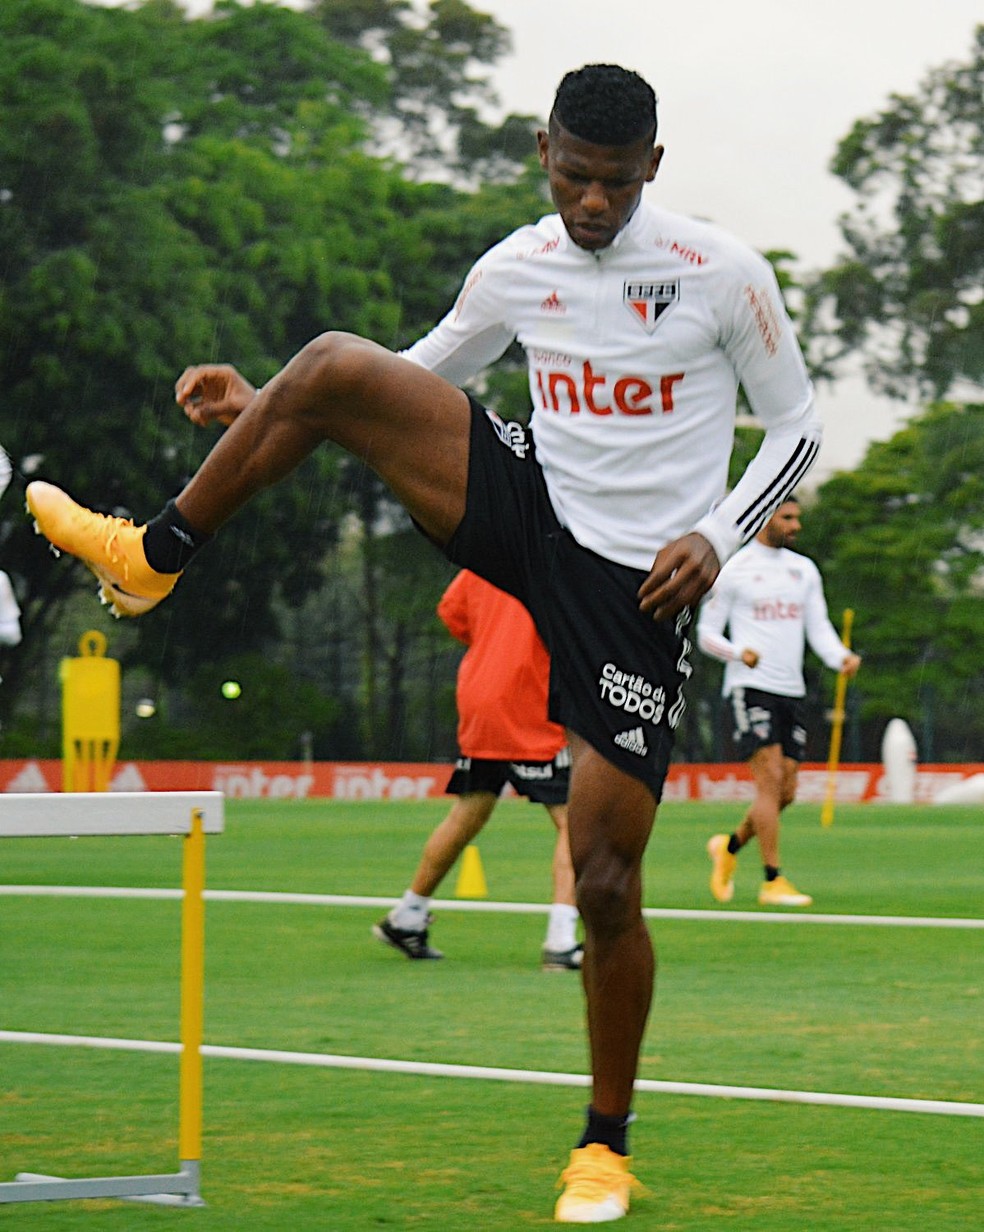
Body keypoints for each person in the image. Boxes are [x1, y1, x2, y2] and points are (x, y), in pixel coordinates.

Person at [26, 64, 822, 1223]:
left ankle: (604, 1142)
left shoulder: (719, 274)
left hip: (641, 586)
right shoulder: (517, 264)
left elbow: (798, 425)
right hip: (531, 506)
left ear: (653, 167)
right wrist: (271, 405)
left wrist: (719, 532)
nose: (591, 203)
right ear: (543, 150)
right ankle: (151, 555)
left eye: (613, 183)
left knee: (603, 880)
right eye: (572, 176)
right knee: (339, 366)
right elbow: (420, 375)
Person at [374, 568, 582, 971]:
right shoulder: (553, 553)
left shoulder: (482, 556)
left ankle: (407, 916)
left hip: (480, 696)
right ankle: (560, 939)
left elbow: (452, 614)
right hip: (528, 699)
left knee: (469, 810)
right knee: (573, 821)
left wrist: (495, 643)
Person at [697, 495, 861, 907]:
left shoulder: (802, 570)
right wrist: (739, 653)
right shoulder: (735, 569)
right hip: (750, 687)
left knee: (785, 792)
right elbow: (706, 635)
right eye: (787, 517)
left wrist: (839, 658)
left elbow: (819, 627)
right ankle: (773, 880)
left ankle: (728, 847)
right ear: (766, 517)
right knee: (768, 782)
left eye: (797, 518)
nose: (795, 525)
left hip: (792, 691)